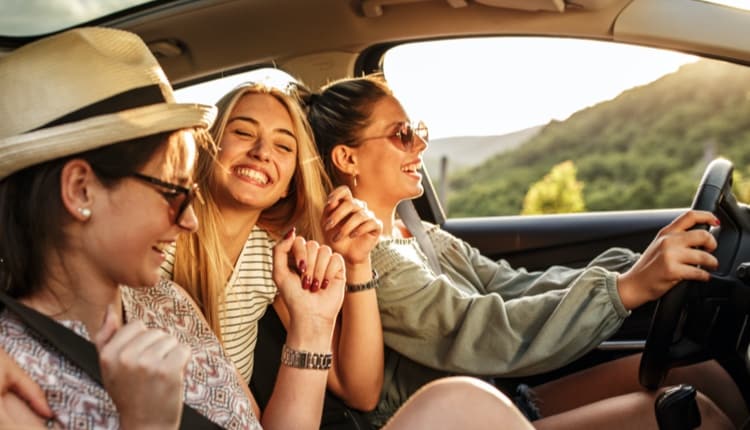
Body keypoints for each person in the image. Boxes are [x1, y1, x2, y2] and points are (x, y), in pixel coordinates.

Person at [0, 26, 542, 430]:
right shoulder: (15, 382)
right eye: (170, 190)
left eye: (285, 146)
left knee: (460, 404)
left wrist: (311, 324)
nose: (185, 219)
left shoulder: (164, 304)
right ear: (79, 191)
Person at [306, 74, 744, 429]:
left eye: (417, 131)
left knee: (702, 374)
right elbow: (477, 326)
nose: (420, 145)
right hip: (449, 422)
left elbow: (511, 286)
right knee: (690, 412)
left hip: (496, 400)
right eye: (402, 135)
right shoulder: (375, 265)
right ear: (347, 158)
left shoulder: (419, 234)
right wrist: (625, 290)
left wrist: (638, 267)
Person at [164, 81, 384, 410]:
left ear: (287, 185)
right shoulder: (159, 242)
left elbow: (361, 392)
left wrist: (357, 263)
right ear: (207, 146)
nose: (262, 152)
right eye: (242, 132)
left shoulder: (274, 256)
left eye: (283, 146)